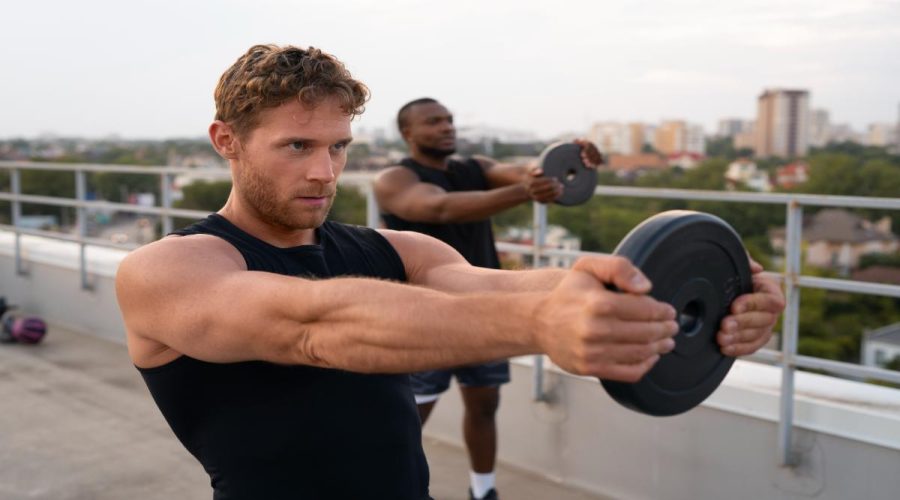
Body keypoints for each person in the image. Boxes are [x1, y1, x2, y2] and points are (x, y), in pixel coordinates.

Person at [115, 44, 786, 500]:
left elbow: (497, 287)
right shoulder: (168, 270)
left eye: (338, 147)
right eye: (297, 145)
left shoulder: (399, 252)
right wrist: (539, 323)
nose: (324, 172)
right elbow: (312, 326)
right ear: (227, 141)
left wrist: (700, 285)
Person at [373, 97, 602, 500]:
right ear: (408, 132)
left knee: (484, 406)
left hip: (487, 304)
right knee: (407, 418)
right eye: (433, 121)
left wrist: (572, 161)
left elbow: (528, 172)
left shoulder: (474, 168)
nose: (446, 126)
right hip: (424, 314)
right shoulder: (394, 179)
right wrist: (525, 191)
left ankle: (483, 491)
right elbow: (440, 208)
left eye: (449, 119)